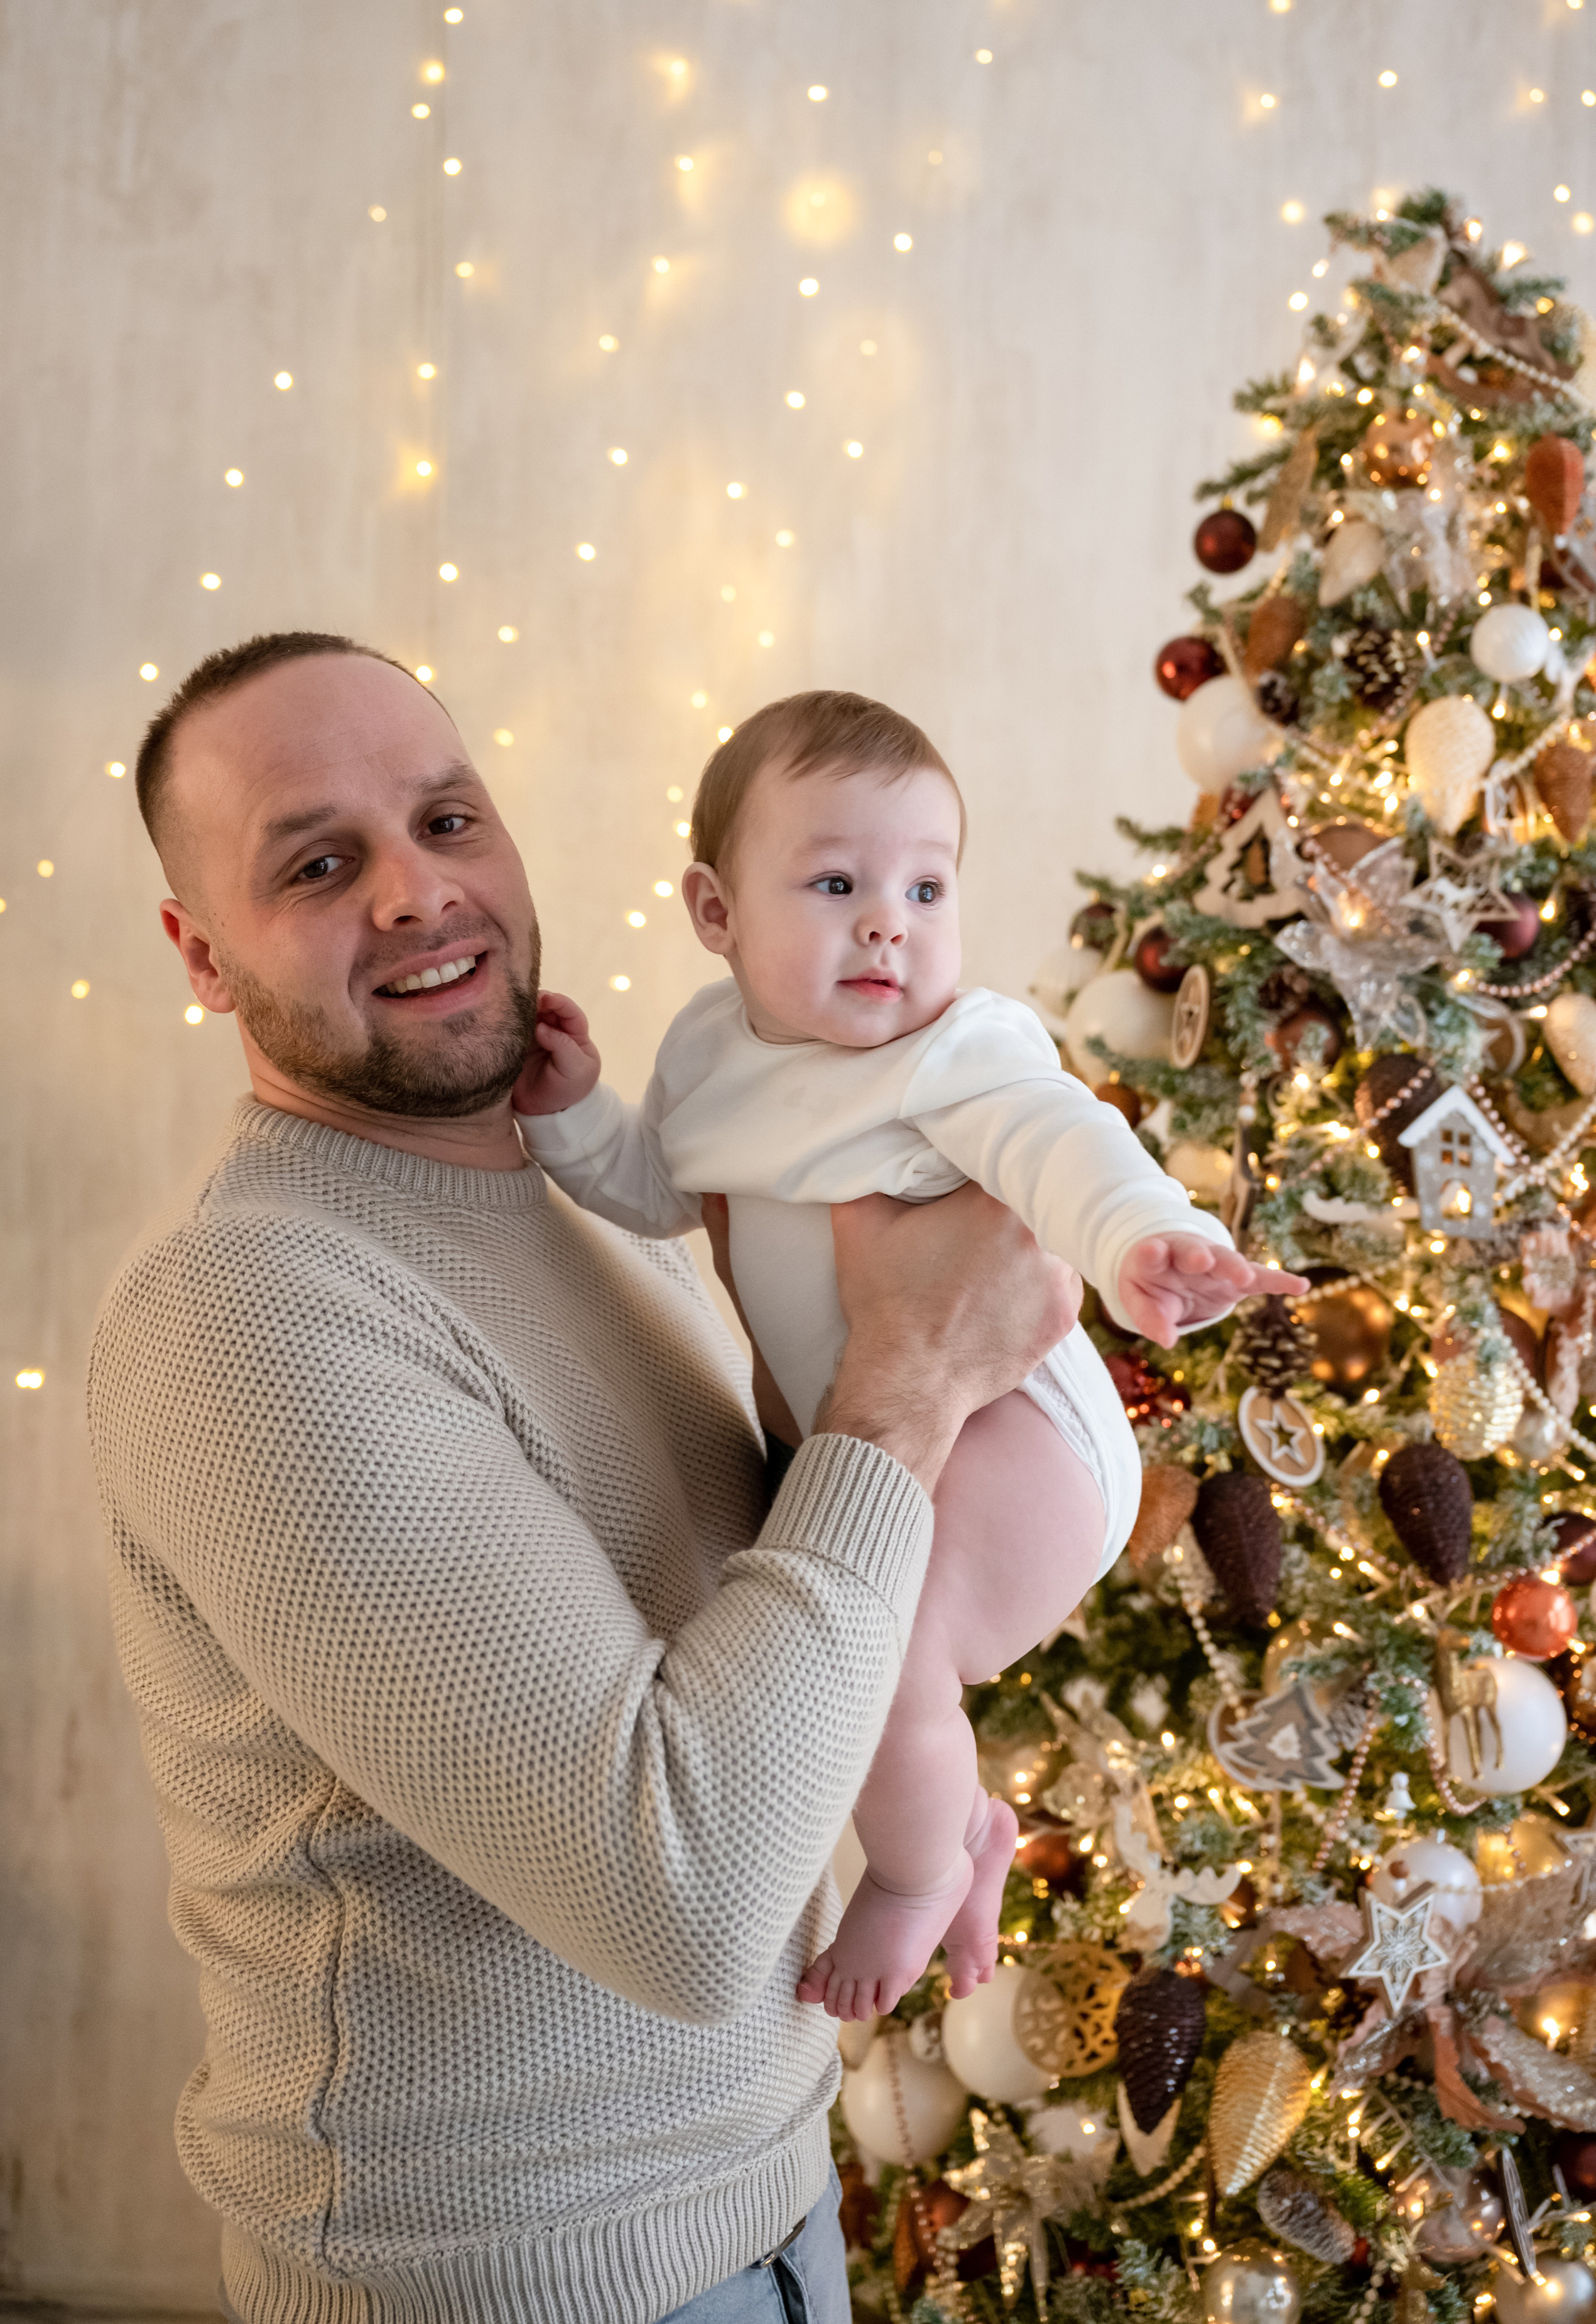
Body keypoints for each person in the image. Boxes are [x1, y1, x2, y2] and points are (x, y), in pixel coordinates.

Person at [89, 632, 1087, 2324]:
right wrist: (908, 1375)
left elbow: (788, 1642)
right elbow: (682, 1897)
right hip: (519, 2281)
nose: (418, 890)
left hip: (766, 2210)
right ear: (202, 954)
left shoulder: (587, 1218)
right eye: (320, 861)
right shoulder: (251, 1312)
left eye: (450, 818)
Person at [518, 691, 1305, 2023]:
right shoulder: (712, 1053)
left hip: (1022, 1432)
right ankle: (968, 1837)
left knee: (875, 1658)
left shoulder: (957, 1052)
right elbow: (661, 1190)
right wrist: (573, 1114)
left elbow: (1059, 1144)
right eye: (835, 883)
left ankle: (907, 1879)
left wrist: (1138, 1239)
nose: (889, 921)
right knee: (848, 1664)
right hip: (910, 1434)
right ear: (715, 914)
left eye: (925, 888)